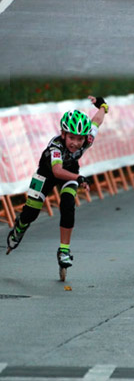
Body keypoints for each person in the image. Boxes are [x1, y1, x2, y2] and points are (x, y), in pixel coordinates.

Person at [6, 96, 109, 278]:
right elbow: (57, 171)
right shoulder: (56, 147)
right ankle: (19, 227)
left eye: (80, 139)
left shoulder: (88, 139)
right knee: (32, 213)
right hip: (47, 174)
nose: (76, 143)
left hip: (70, 171)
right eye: (71, 138)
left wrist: (102, 105)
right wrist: (78, 177)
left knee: (68, 204)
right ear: (63, 134)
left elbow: (97, 120)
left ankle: (64, 250)